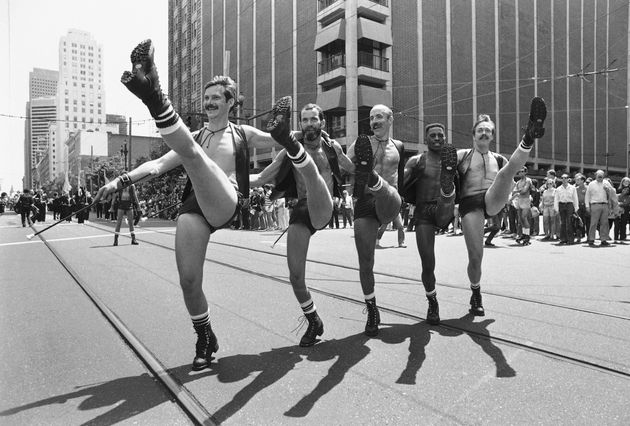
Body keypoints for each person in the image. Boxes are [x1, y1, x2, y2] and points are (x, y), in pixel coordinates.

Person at [95, 39, 288, 370]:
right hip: (195, 206)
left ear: (231, 103)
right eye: (207, 98)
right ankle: (205, 336)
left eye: (216, 98)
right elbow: (157, 166)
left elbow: (284, 140)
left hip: (227, 202)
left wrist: (301, 134)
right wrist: (119, 180)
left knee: (196, 158)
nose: (209, 102)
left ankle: (155, 97)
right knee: (188, 280)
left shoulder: (243, 133)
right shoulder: (194, 137)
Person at [253, 102, 351, 346]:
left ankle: (306, 167)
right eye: (304, 120)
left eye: (313, 119)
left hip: (324, 208)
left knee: (314, 179)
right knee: (295, 276)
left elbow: (353, 169)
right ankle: (313, 319)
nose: (309, 124)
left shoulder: (332, 147)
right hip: (302, 211)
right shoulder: (289, 150)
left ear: (322, 123)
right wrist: (231, 180)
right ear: (300, 125)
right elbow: (263, 177)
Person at [456, 97, 547, 316]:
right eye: (480, 130)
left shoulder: (499, 159)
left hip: (492, 200)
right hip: (470, 205)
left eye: (488, 130)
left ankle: (529, 135)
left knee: (507, 171)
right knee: (476, 257)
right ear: (473, 134)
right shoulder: (461, 155)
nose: (484, 133)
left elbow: (510, 181)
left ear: (492, 136)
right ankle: (476, 292)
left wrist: (507, 196)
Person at [347, 104, 405, 336]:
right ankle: (371, 308)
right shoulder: (361, 143)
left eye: (379, 117)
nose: (374, 121)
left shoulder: (398, 146)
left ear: (390, 119)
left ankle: (371, 177)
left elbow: (400, 177)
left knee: (389, 192)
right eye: (371, 118)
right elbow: (344, 165)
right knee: (365, 261)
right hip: (365, 202)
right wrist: (332, 151)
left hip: (389, 201)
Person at [401, 122, 457, 324]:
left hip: (444, 208)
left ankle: (446, 190)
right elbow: (400, 182)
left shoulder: (453, 159)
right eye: (432, 135)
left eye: (440, 135)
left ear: (444, 137)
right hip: (424, 211)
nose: (436, 138)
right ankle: (432, 301)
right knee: (428, 262)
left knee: (447, 194)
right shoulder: (417, 160)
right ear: (426, 139)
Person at [585, 170, 614, 246]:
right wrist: (587, 206)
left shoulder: (606, 183)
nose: (600, 178)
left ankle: (603, 239)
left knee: (604, 223)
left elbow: (613, 193)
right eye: (599, 176)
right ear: (595, 176)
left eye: (601, 176)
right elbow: (587, 195)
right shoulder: (591, 184)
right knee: (593, 223)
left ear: (603, 176)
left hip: (605, 205)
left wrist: (608, 190)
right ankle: (591, 239)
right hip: (595, 204)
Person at [111, 176, 140, 245]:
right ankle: (116, 240)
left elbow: (135, 196)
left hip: (129, 205)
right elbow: (114, 197)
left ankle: (133, 239)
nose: (125, 183)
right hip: (121, 205)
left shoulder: (131, 186)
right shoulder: (119, 186)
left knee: (131, 223)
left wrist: (138, 206)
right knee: (119, 223)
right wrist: (112, 206)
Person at [553, 173, 579, 244]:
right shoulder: (558, 189)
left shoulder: (572, 188)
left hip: (569, 205)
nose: (564, 179)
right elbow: (556, 199)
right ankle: (563, 239)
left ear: (568, 179)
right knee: (563, 222)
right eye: (562, 178)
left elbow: (575, 198)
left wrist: (576, 208)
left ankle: (570, 239)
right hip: (561, 205)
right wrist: (556, 209)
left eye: (565, 178)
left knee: (569, 222)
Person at [513, 166, 535, 244]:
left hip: (525, 200)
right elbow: (514, 191)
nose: (521, 173)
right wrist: (517, 192)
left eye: (522, 171)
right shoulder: (518, 182)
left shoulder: (528, 180)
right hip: (519, 200)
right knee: (520, 219)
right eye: (520, 171)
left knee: (524, 217)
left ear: (525, 172)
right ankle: (524, 234)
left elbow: (525, 190)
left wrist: (517, 192)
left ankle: (527, 236)